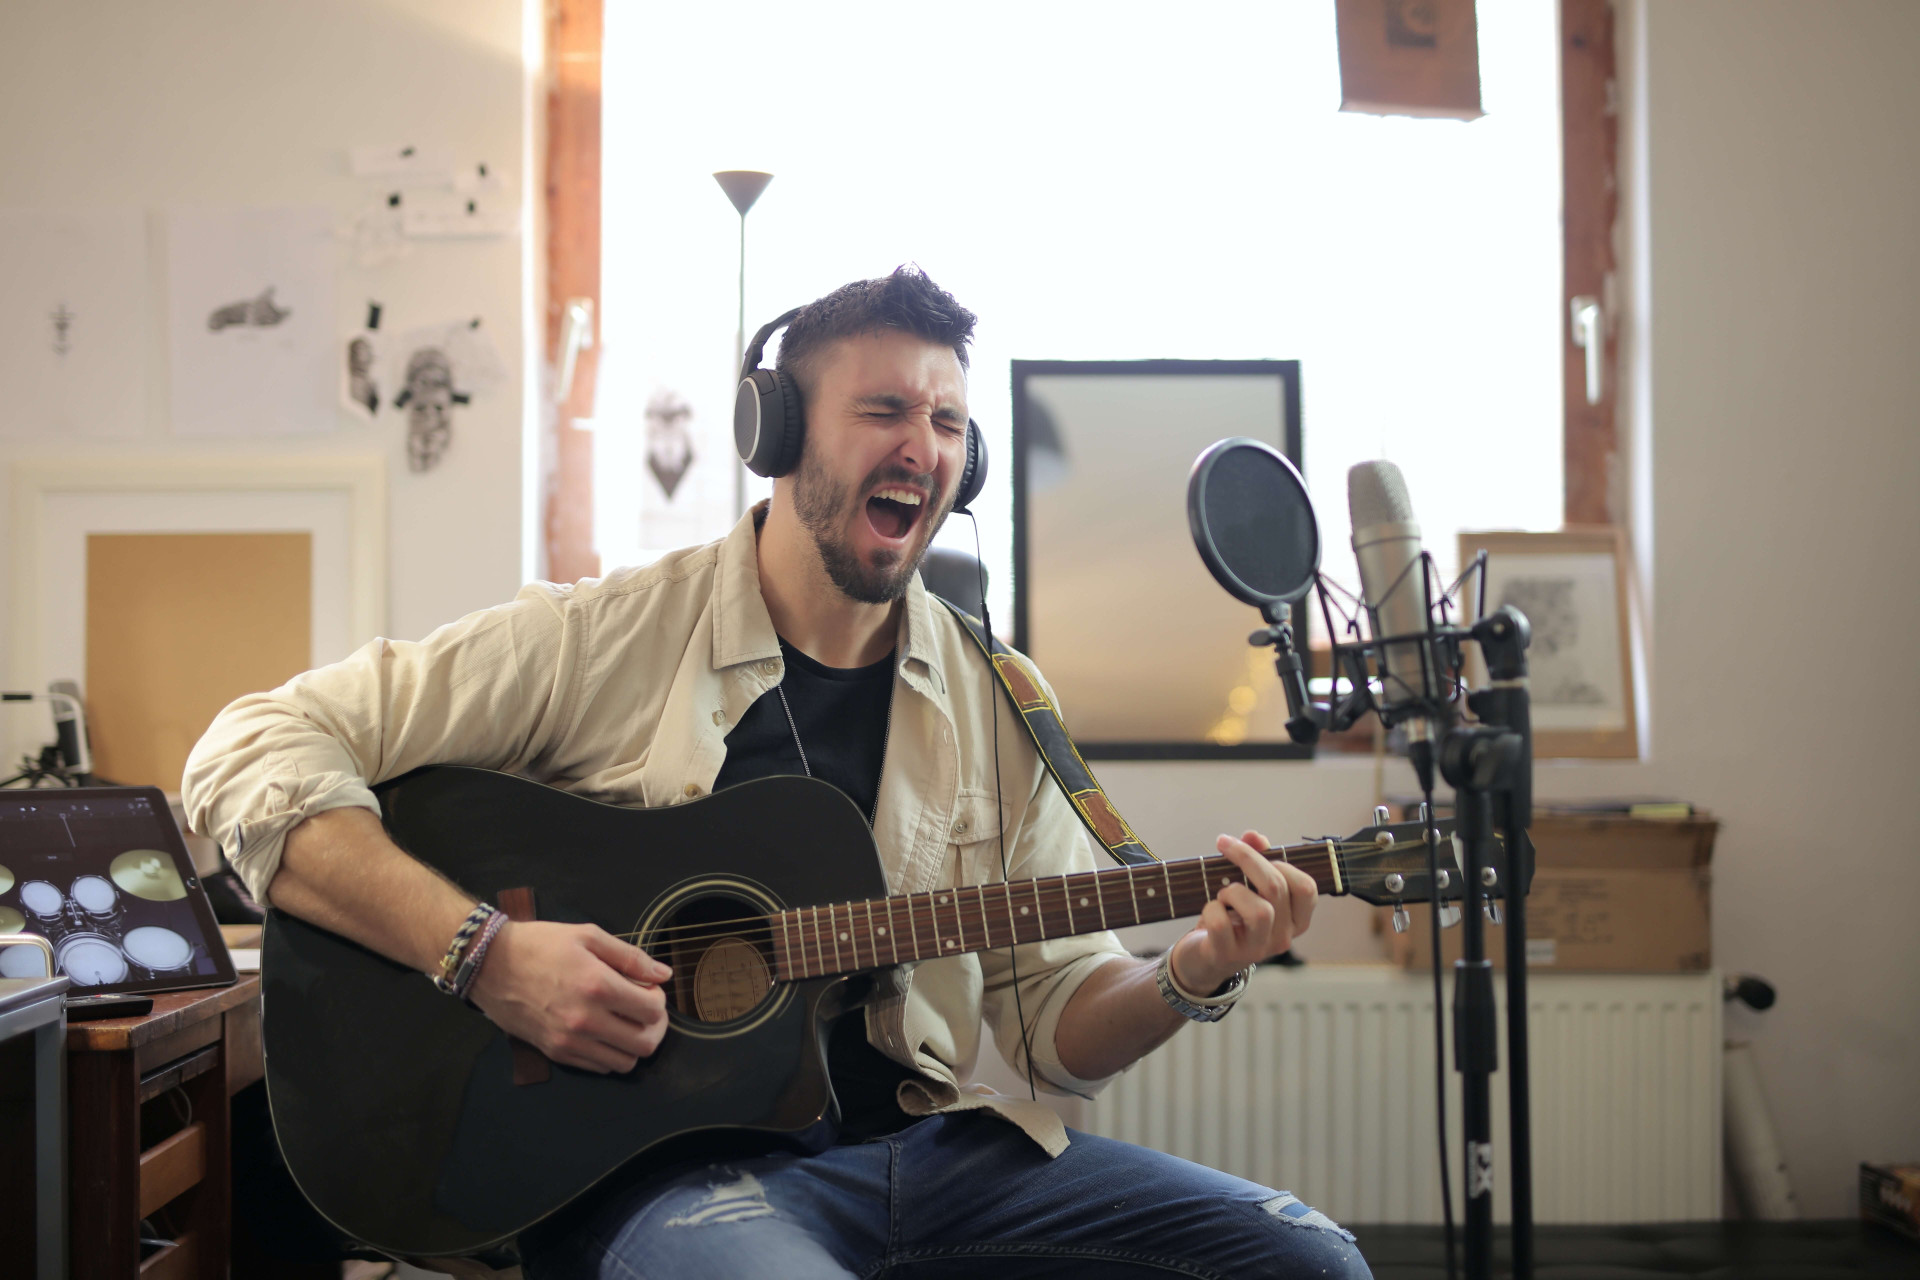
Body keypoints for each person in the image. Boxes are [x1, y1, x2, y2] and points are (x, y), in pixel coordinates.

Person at [183, 267, 1371, 1279]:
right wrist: (483, 948)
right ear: (780, 434)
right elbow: (248, 748)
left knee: (1312, 1257)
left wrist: (1195, 971)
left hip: (940, 1146)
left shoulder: (1001, 699)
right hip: (677, 1177)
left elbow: (1057, 1023)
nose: (925, 446)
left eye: (951, 422)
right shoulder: (607, 637)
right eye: (888, 408)